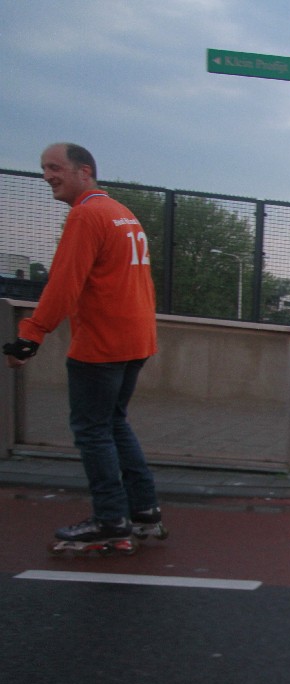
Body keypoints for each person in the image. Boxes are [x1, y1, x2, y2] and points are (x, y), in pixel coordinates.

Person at [3, 143, 164, 550]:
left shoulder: (86, 215)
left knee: (93, 431)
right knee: (114, 422)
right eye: (44, 168)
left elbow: (63, 284)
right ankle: (144, 510)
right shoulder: (122, 213)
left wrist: (30, 336)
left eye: (55, 167)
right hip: (136, 339)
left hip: (102, 342)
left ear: (84, 172)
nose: (47, 176)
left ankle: (110, 521)